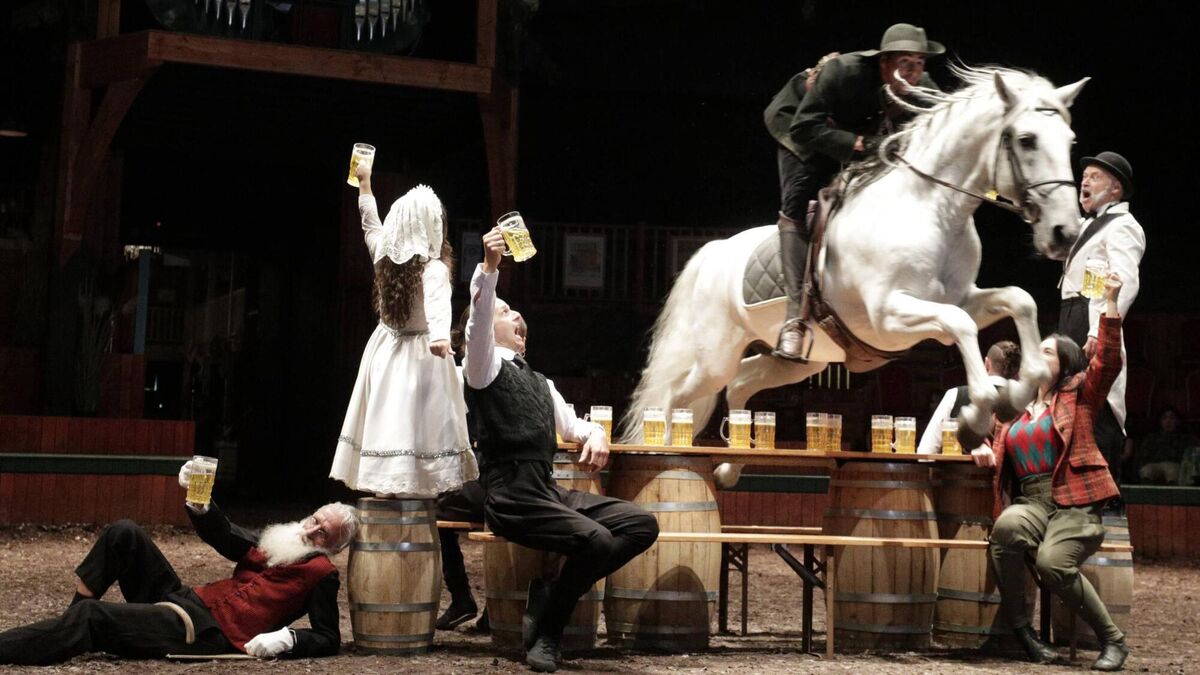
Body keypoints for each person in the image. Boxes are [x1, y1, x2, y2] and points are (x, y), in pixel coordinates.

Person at [463, 227, 659, 672]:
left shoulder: (540, 382)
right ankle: (549, 632)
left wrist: (597, 435)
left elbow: (576, 425)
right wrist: (490, 270)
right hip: (511, 495)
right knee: (595, 540)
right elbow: (477, 324)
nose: (517, 317)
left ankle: (550, 596)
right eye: (507, 311)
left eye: (516, 313)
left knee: (640, 524)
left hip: (546, 491)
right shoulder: (482, 367)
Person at [0, 460, 358, 665]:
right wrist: (200, 502)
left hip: (203, 632)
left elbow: (328, 637)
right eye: (314, 519)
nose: (312, 530)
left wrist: (288, 639)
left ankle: (40, 636)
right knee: (123, 533)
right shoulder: (283, 540)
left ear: (335, 548)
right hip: (186, 600)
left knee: (92, 617)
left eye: (324, 533)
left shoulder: (321, 573)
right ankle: (65, 629)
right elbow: (228, 536)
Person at [972, 273, 1129, 671]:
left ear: (1064, 365)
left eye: (1047, 352)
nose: (1035, 356)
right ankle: (1027, 636)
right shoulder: (1015, 405)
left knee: (1051, 564)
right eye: (1034, 350)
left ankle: (1113, 641)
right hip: (1032, 500)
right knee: (1006, 531)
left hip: (1073, 501)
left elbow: (1108, 359)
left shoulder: (1078, 395)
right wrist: (975, 443)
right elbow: (976, 429)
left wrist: (1110, 301)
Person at [763, 22, 944, 361]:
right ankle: (794, 321)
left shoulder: (922, 85)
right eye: (905, 64)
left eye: (919, 64)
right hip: (800, 127)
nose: (913, 73)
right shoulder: (843, 72)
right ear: (884, 62)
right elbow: (805, 128)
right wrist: (859, 143)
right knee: (799, 201)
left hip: (856, 135)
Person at [330, 162, 479, 498]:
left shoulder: (384, 252)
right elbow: (440, 306)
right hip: (420, 356)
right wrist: (440, 336)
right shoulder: (434, 269)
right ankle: (410, 494)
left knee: (390, 420)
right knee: (413, 425)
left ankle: (391, 491)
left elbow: (370, 223)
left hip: (385, 352)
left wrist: (365, 186)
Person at [1058, 151, 1145, 486]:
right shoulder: (1086, 226)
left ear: (1116, 189)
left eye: (1095, 176)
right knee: (1068, 410)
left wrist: (1099, 328)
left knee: (1095, 410)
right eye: (1085, 176)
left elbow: (1124, 282)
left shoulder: (1124, 225)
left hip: (1091, 317)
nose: (1085, 181)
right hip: (1070, 317)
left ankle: (1103, 502)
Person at [917, 340, 1020, 454]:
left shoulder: (956, 394)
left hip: (958, 471)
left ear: (986, 364)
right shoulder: (1028, 404)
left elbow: (926, 450)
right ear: (1018, 372)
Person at [1134, 406, 1199, 484]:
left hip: (1175, 465)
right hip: (1154, 464)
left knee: (1172, 471)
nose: (1168, 421)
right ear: (1160, 421)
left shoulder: (1184, 438)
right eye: (1164, 418)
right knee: (1147, 471)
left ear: (1177, 421)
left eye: (1172, 418)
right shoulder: (1152, 438)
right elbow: (1143, 455)